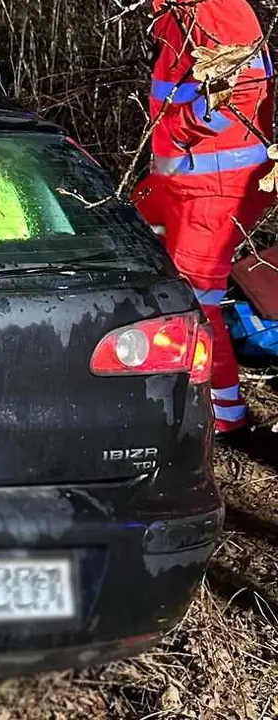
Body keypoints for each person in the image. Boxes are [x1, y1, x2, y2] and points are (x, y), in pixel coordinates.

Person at [133, 0, 275, 434]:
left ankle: (222, 415)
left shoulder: (219, 8)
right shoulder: (182, 9)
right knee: (133, 252)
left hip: (215, 184)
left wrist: (178, 130)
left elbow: (241, 87)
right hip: (184, 180)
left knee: (194, 299)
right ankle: (149, 374)